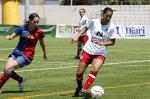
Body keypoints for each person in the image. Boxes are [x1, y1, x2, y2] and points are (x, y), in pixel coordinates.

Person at [72, 7, 117, 97]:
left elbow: (112, 42)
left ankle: (84, 89)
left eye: (110, 17)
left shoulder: (112, 27)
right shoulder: (93, 21)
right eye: (106, 16)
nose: (108, 18)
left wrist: (102, 43)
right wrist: (77, 36)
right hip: (88, 50)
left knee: (94, 70)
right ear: (102, 14)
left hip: (100, 53)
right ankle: (79, 87)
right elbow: (85, 28)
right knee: (79, 73)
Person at [0, 13, 47, 93]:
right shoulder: (22, 28)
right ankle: (20, 80)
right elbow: (12, 36)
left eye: (37, 22)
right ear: (30, 20)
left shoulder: (39, 31)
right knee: (6, 69)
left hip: (27, 55)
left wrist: (44, 53)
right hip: (16, 53)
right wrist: (9, 37)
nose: (36, 24)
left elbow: (42, 43)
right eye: (35, 22)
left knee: (8, 69)